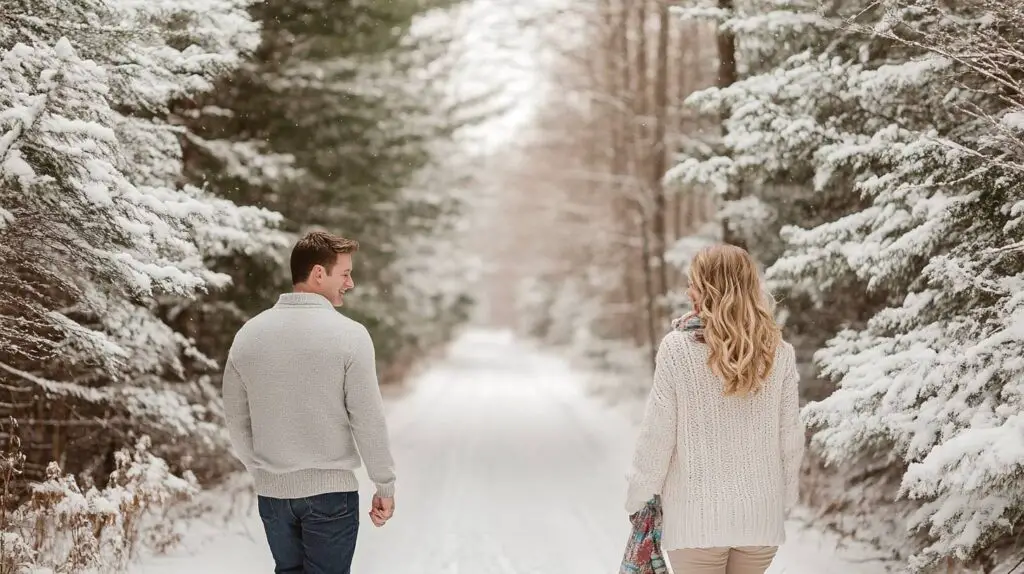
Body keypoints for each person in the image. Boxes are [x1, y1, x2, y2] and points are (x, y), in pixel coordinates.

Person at [222, 230, 396, 574]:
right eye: (344, 273)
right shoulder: (350, 336)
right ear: (319, 273)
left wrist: (260, 470)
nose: (351, 282)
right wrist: (384, 484)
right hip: (330, 495)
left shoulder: (250, 334)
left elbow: (235, 415)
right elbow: (367, 418)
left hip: (273, 497)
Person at [624, 244, 804, 574]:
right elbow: (790, 438)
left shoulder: (677, 348)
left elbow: (657, 435)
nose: (688, 289)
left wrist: (638, 497)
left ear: (708, 288)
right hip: (759, 520)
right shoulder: (779, 352)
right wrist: (784, 499)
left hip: (696, 522)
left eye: (693, 281)